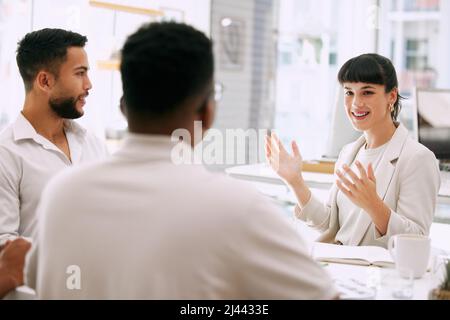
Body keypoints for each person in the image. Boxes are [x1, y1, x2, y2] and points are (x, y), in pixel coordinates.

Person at [28, 22, 336, 299]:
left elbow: (35, 280)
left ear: (124, 107)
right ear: (207, 113)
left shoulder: (61, 194)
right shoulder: (235, 207)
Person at [266, 53, 440, 248]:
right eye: (349, 92)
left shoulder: (417, 158)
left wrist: (374, 206)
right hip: (340, 266)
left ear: (391, 96)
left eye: (367, 92)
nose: (356, 103)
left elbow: (416, 240)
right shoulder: (348, 153)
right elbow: (329, 225)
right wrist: (295, 182)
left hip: (376, 274)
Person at [0, 28, 109, 243]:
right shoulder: (6, 153)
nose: (88, 85)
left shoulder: (93, 145)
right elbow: (4, 247)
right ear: (45, 81)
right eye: (80, 73)